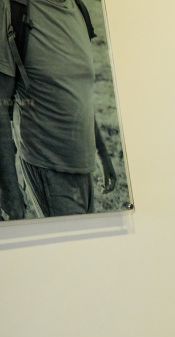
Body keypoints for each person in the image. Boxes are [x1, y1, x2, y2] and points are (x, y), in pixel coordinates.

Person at [0, 0, 117, 219]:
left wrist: (103, 154)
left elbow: (77, 91)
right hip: (48, 165)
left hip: (84, 166)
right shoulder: (14, 9)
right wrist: (9, 194)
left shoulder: (78, 8)